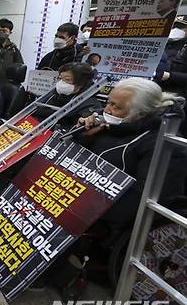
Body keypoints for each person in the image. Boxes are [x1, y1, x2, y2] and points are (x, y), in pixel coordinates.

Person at [77, 78, 186, 225]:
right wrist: (81, 134)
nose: (106, 110)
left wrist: (84, 210)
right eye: (108, 102)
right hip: (79, 197)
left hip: (108, 220)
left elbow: (142, 199)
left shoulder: (163, 144)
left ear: (141, 113)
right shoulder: (108, 123)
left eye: (115, 106)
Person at [36, 62, 101, 129]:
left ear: (80, 84)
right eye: (61, 78)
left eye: (67, 80)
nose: (61, 83)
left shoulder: (91, 105)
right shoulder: (55, 93)